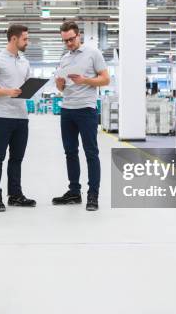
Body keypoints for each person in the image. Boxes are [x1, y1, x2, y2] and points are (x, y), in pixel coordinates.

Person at [52, 20, 110, 211]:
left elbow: (105, 79)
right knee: (70, 152)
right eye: (65, 41)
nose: (68, 44)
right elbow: (61, 89)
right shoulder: (64, 58)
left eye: (71, 39)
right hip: (67, 110)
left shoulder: (93, 54)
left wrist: (85, 80)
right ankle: (74, 192)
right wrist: (59, 83)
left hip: (86, 109)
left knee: (91, 153)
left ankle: (93, 195)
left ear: (79, 36)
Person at [0, 24, 36, 212]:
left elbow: (27, 86)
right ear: (14, 39)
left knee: (17, 159)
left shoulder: (24, 62)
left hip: (22, 117)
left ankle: (15, 195)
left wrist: (31, 89)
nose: (27, 42)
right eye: (25, 39)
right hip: (3, 116)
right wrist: (7, 92)